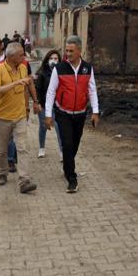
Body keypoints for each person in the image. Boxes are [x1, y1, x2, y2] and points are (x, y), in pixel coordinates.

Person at [45, 36, 99, 193]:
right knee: (67, 144)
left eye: (71, 51)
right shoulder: (59, 68)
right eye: (66, 50)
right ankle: (71, 177)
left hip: (81, 113)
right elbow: (50, 92)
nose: (67, 53)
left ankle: (67, 165)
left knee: (74, 144)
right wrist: (48, 115)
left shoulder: (88, 68)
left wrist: (95, 112)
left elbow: (92, 90)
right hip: (63, 113)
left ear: (79, 51)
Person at [0, 43, 39, 193]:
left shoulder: (23, 68)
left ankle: (24, 180)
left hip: (19, 116)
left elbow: (27, 86)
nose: (24, 57)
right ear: (11, 56)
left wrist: (33, 103)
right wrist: (16, 83)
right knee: (2, 150)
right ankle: (2, 173)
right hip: (2, 117)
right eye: (21, 55)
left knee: (22, 148)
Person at [35, 49, 62, 159]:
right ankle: (41, 147)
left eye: (56, 59)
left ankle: (62, 151)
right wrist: (38, 103)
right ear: (47, 60)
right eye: (51, 58)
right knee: (43, 126)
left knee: (58, 127)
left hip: (58, 105)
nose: (53, 61)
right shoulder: (42, 73)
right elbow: (38, 89)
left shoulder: (62, 72)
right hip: (44, 104)